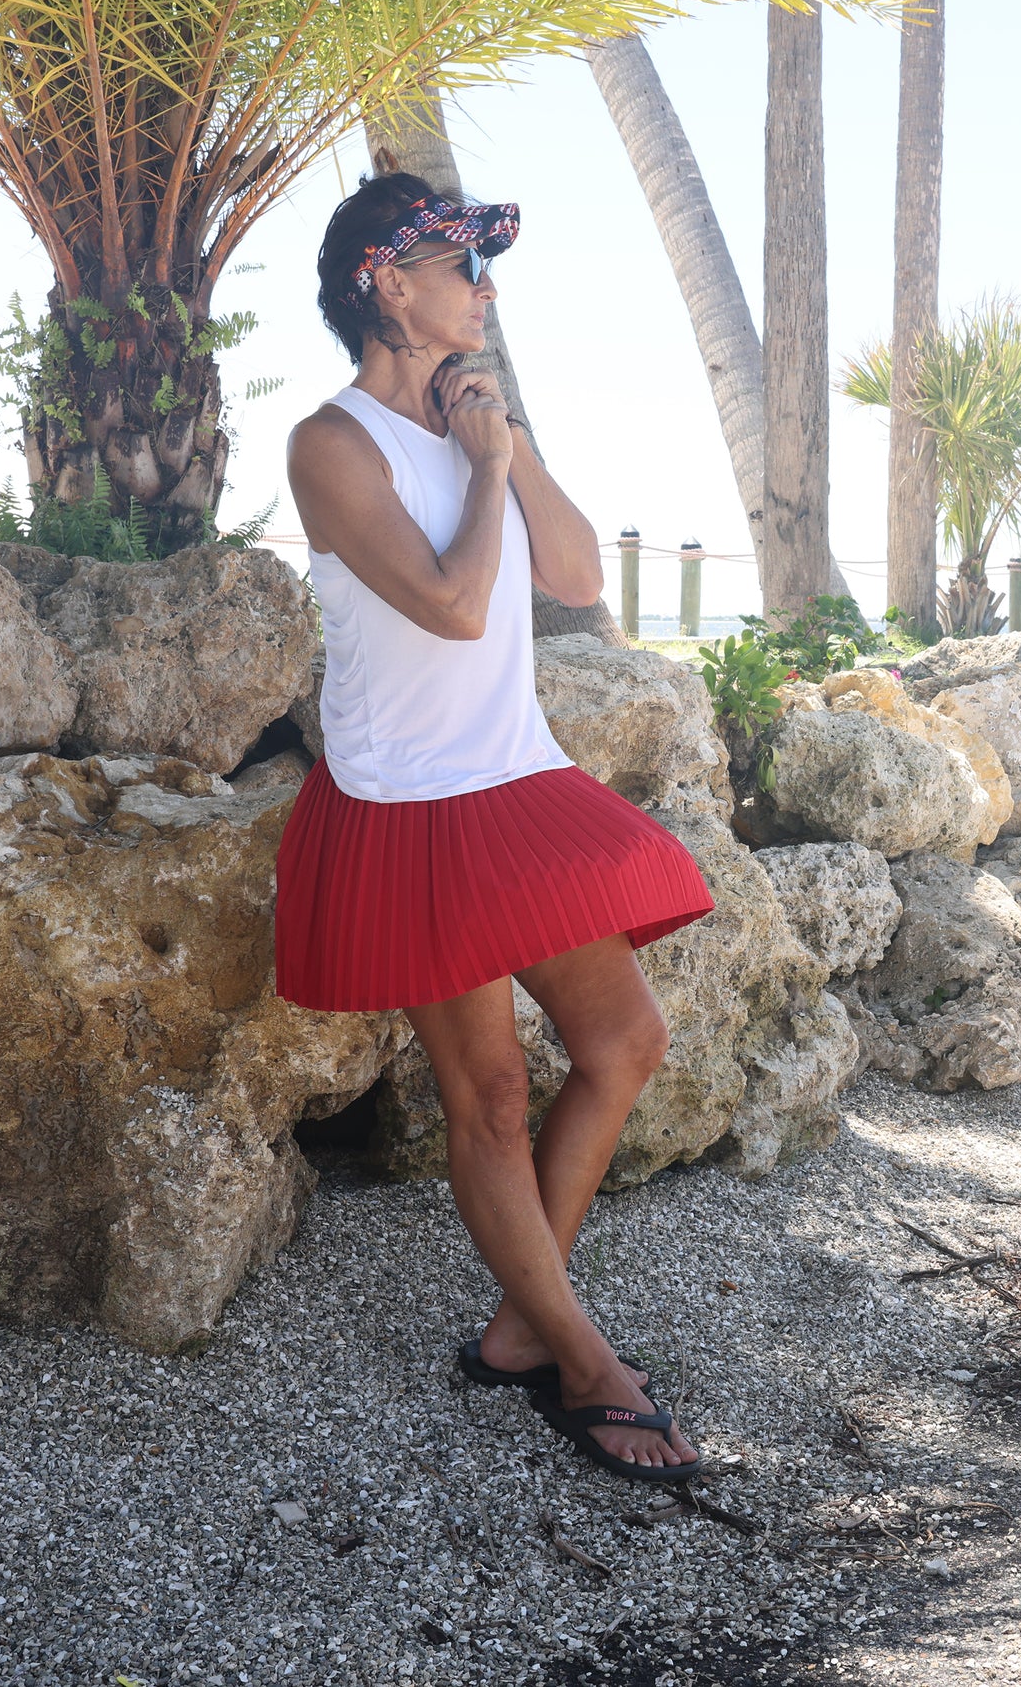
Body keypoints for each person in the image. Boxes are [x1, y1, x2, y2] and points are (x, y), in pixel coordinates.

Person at [275, 171, 711, 1484]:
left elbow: (572, 576)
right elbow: (456, 608)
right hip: (408, 796)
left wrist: (507, 448)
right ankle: (584, 1363)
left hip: (509, 775)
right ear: (385, 283)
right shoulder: (331, 443)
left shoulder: (477, 426)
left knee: (625, 1036)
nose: (487, 289)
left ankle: (525, 1326)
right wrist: (475, 469)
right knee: (491, 1092)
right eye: (464, 266)